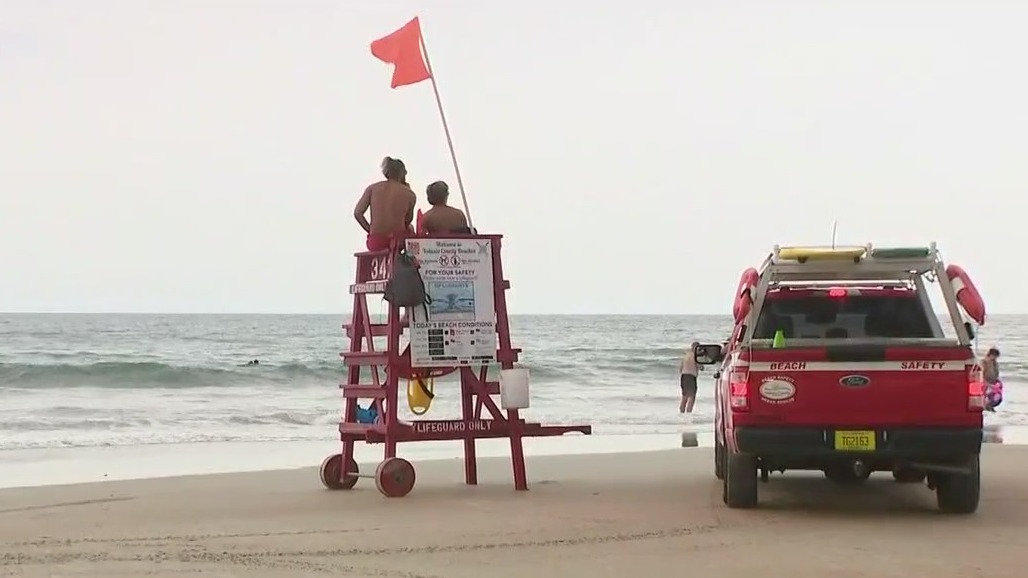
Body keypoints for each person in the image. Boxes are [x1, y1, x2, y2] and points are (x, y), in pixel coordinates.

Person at [353, 157, 417, 251]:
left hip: (376, 242)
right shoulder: (409, 193)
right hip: (397, 242)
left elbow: (357, 213)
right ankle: (409, 261)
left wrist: (370, 230)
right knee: (411, 228)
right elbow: (408, 220)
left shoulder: (372, 188)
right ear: (402, 173)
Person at [679, 342, 702, 414]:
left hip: (683, 376)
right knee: (692, 397)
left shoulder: (686, 355)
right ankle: (689, 413)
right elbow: (700, 367)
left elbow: (680, 368)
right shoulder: (695, 357)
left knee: (684, 397)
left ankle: (681, 413)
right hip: (691, 377)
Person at [980, 347, 1002, 412]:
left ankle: (989, 407)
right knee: (986, 397)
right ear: (991, 355)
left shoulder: (995, 363)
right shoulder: (983, 362)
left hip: (993, 384)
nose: (995, 358)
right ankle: (986, 407)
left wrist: (997, 383)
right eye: (995, 356)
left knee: (997, 398)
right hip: (984, 384)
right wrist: (988, 384)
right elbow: (981, 376)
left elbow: (996, 375)